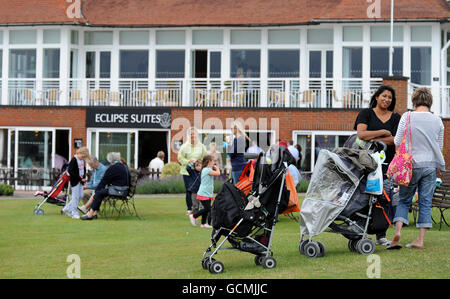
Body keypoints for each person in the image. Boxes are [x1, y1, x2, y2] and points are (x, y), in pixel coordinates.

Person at [388, 88, 445, 250]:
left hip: (410, 165)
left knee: (404, 200)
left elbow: (398, 140)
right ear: (430, 102)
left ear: (414, 101)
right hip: (430, 166)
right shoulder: (438, 120)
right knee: (425, 202)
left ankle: (397, 234)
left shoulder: (407, 116)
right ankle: (419, 240)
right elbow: (438, 146)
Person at [353, 85, 401, 246]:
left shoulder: (395, 118)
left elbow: (396, 140)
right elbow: (360, 134)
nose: (386, 99)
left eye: (390, 97)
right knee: (363, 197)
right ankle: (358, 232)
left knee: (383, 198)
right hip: (365, 164)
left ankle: (381, 235)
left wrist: (372, 138)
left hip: (387, 166)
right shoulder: (365, 113)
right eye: (384, 96)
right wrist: (384, 132)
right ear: (376, 97)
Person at [80, 152, 130, 220]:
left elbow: (104, 181)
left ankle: (90, 214)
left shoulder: (113, 168)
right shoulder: (123, 166)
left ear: (110, 160)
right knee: (100, 192)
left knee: (99, 193)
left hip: (118, 191)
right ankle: (94, 214)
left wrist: (96, 191)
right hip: (124, 190)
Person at [177, 127, 208, 215]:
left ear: (197, 135)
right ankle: (189, 209)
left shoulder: (201, 146)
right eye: (191, 134)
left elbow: (205, 156)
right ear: (188, 135)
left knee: (199, 189)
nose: (193, 135)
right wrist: (189, 162)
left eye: (194, 134)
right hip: (187, 172)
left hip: (198, 172)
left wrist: (200, 163)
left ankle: (198, 208)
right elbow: (180, 158)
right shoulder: (184, 146)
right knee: (189, 190)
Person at [189, 155, 221, 228]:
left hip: (207, 193)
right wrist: (217, 168)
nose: (214, 163)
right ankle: (194, 216)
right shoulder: (207, 170)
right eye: (213, 161)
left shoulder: (206, 169)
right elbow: (218, 173)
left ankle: (203, 224)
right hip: (204, 193)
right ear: (209, 162)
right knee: (208, 208)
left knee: (206, 209)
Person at [62, 147, 90, 219]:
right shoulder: (74, 160)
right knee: (75, 197)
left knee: (80, 195)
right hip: (75, 181)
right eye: (82, 156)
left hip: (80, 181)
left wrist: (83, 178)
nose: (83, 158)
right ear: (80, 153)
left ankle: (66, 208)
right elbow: (71, 171)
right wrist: (80, 179)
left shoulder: (81, 160)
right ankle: (74, 213)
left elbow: (82, 169)